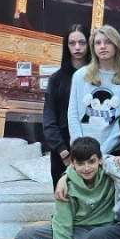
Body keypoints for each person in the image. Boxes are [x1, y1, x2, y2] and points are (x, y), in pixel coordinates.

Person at [67, 25, 120, 155]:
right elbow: (73, 113)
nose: (102, 46)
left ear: (116, 45)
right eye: (98, 43)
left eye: (108, 42)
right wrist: (78, 144)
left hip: (115, 151)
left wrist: (101, 151)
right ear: (93, 47)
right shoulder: (80, 75)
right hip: (82, 149)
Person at [41, 24, 91, 184]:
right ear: (66, 45)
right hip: (63, 151)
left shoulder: (98, 77)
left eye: (82, 42)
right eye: (72, 43)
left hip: (93, 148)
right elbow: (49, 119)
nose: (77, 47)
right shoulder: (56, 79)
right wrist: (63, 151)